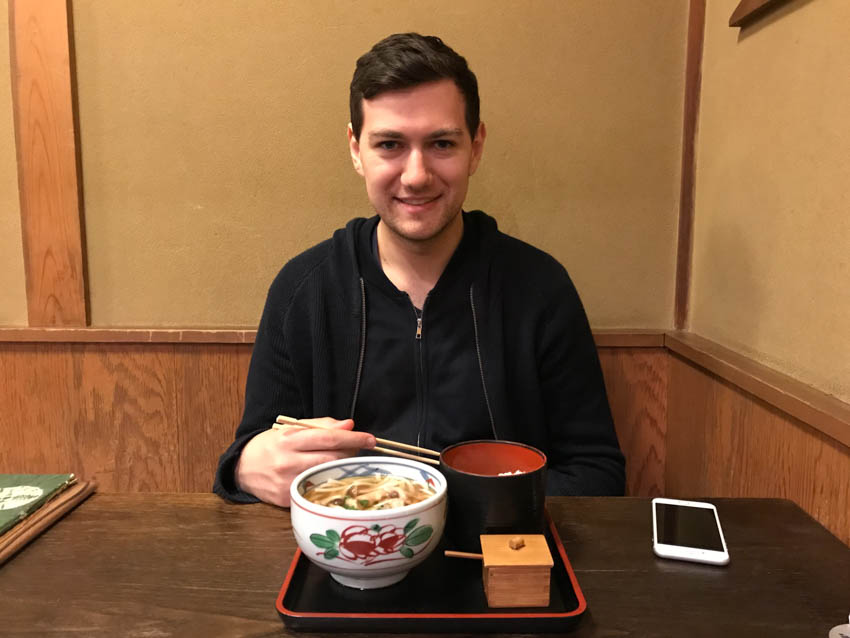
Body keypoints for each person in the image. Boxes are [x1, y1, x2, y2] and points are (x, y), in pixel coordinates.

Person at [213, 33, 625, 507]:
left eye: (441, 144)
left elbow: (597, 472)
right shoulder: (304, 289)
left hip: (498, 556)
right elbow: (250, 458)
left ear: (476, 146)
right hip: (346, 561)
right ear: (355, 149)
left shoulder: (539, 288)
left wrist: (457, 506)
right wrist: (245, 467)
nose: (416, 175)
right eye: (389, 144)